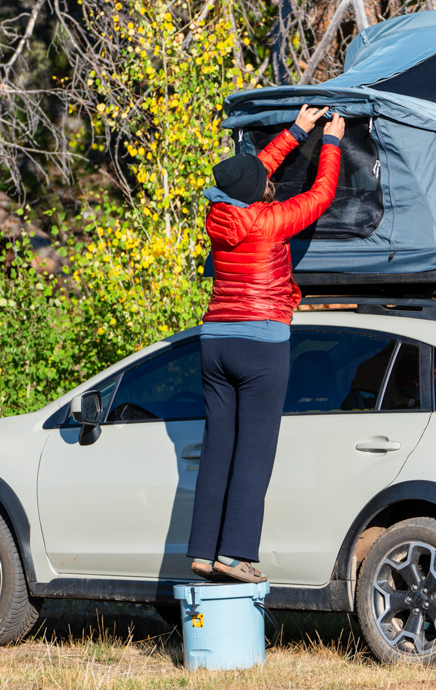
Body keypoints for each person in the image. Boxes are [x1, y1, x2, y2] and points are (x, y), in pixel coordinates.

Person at [187, 104, 345, 583]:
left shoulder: (220, 215)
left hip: (215, 340)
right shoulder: (269, 221)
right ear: (256, 194)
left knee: (218, 449)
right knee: (254, 451)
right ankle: (235, 555)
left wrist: (297, 130)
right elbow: (320, 197)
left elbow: (251, 175)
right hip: (260, 341)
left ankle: (203, 550)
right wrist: (332, 142)